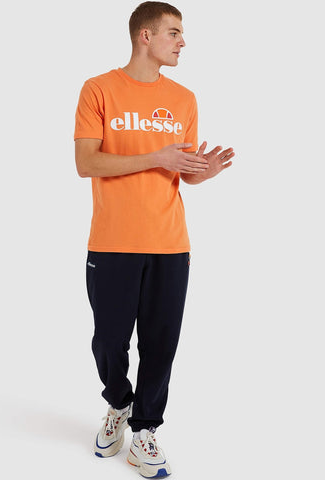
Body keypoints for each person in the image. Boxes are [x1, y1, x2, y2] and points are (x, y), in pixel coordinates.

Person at [74, 2, 234, 477]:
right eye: (174, 32)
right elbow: (87, 163)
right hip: (112, 241)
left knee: (161, 344)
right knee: (109, 341)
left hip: (170, 243)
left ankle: (145, 429)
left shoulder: (184, 99)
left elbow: (180, 171)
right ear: (145, 36)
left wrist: (202, 171)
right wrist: (156, 157)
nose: (182, 42)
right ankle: (118, 402)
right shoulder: (99, 89)